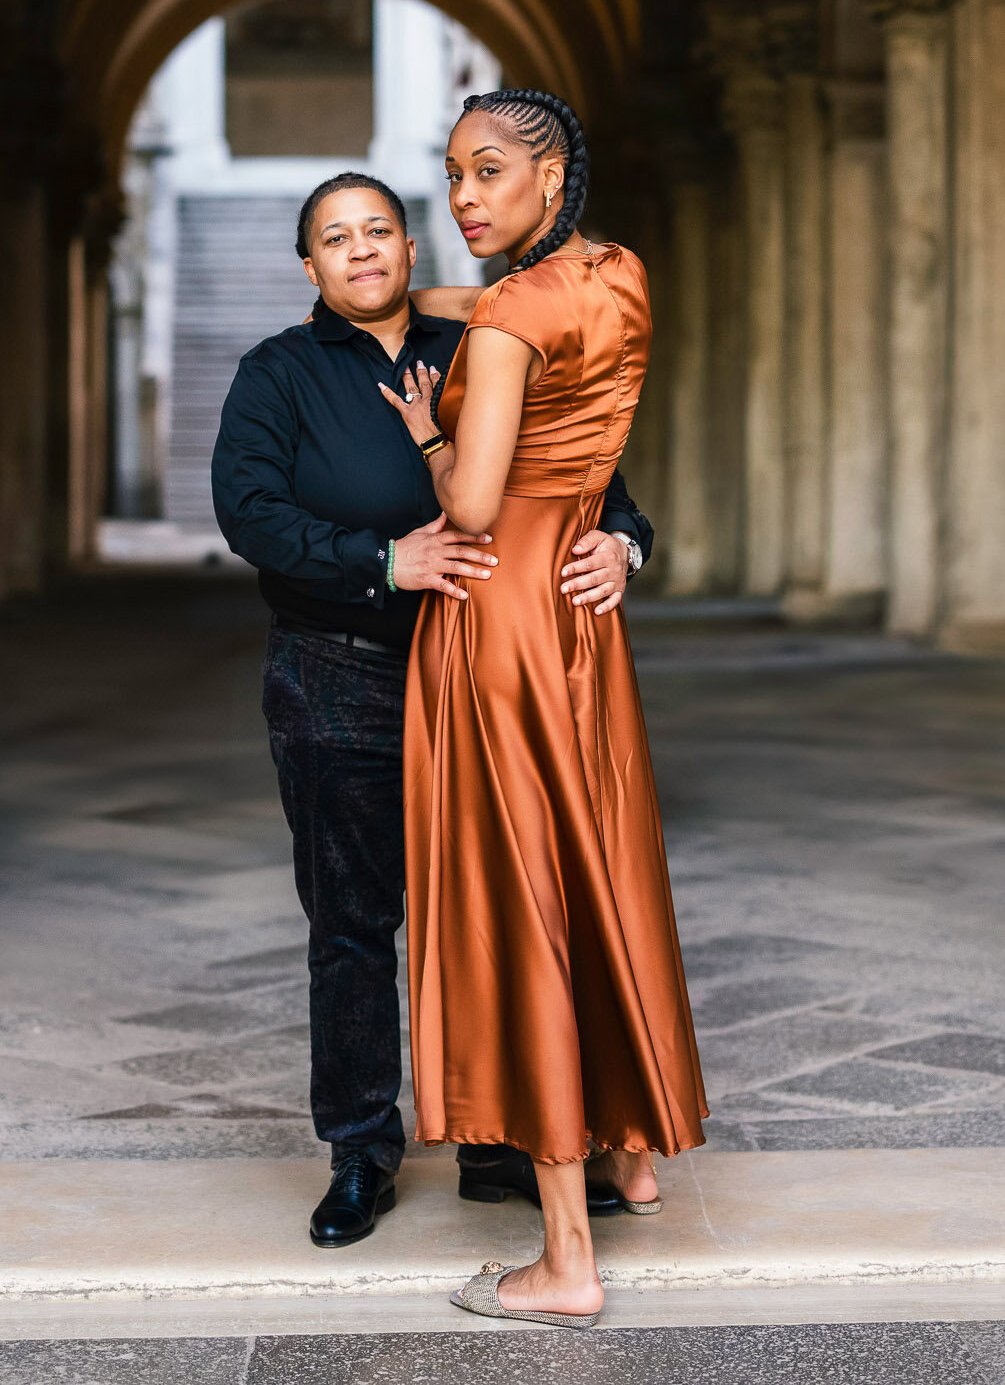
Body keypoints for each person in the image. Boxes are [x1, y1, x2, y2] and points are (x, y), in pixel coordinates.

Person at [211, 171, 656, 1249]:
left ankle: (502, 1140)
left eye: (378, 231)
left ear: (412, 252)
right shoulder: (275, 374)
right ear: (308, 266)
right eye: (334, 238)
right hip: (339, 669)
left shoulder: (485, 341)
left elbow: (593, 476)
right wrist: (380, 560)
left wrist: (625, 543)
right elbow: (250, 512)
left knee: (502, 907)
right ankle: (361, 1147)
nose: (360, 251)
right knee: (354, 922)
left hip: (490, 677)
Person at [383, 91, 707, 1328]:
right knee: (597, 862)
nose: (461, 196)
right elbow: (514, 313)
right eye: (450, 175)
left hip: (502, 609)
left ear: (550, 171)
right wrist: (446, 307)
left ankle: (565, 1258)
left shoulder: (512, 317)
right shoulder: (614, 275)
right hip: (580, 607)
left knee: (515, 889)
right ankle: (634, 1153)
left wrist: (425, 430)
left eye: (485, 172)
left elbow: (466, 508)